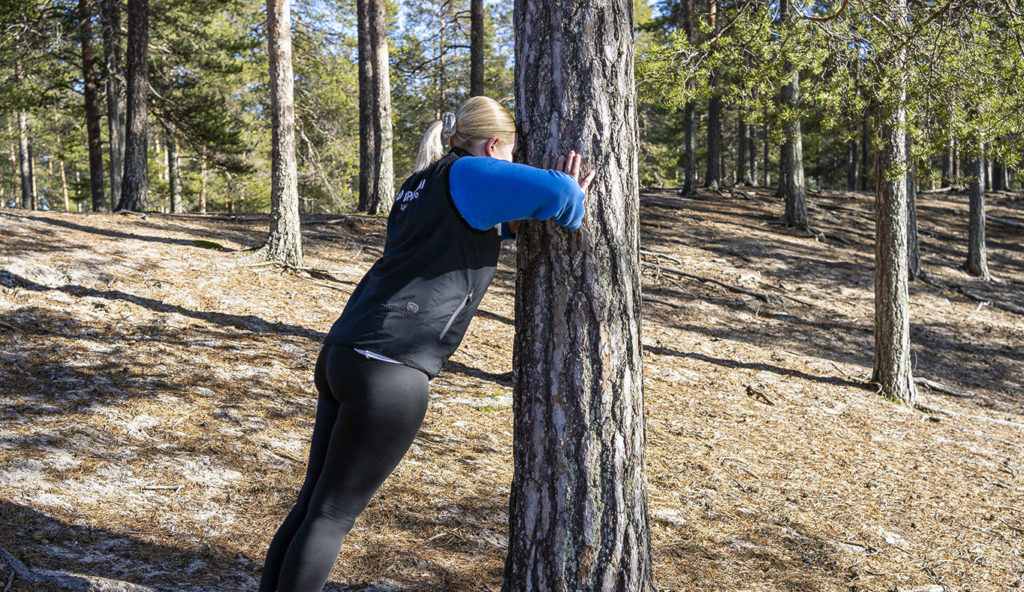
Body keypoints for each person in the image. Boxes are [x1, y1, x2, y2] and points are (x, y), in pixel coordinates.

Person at [258, 95, 596, 592]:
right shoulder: (474, 173)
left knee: (315, 504)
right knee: (332, 515)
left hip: (345, 352)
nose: (511, 163)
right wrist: (570, 187)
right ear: (494, 144)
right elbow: (562, 201)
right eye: (513, 153)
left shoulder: (422, 183)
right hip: (390, 369)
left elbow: (478, 230)